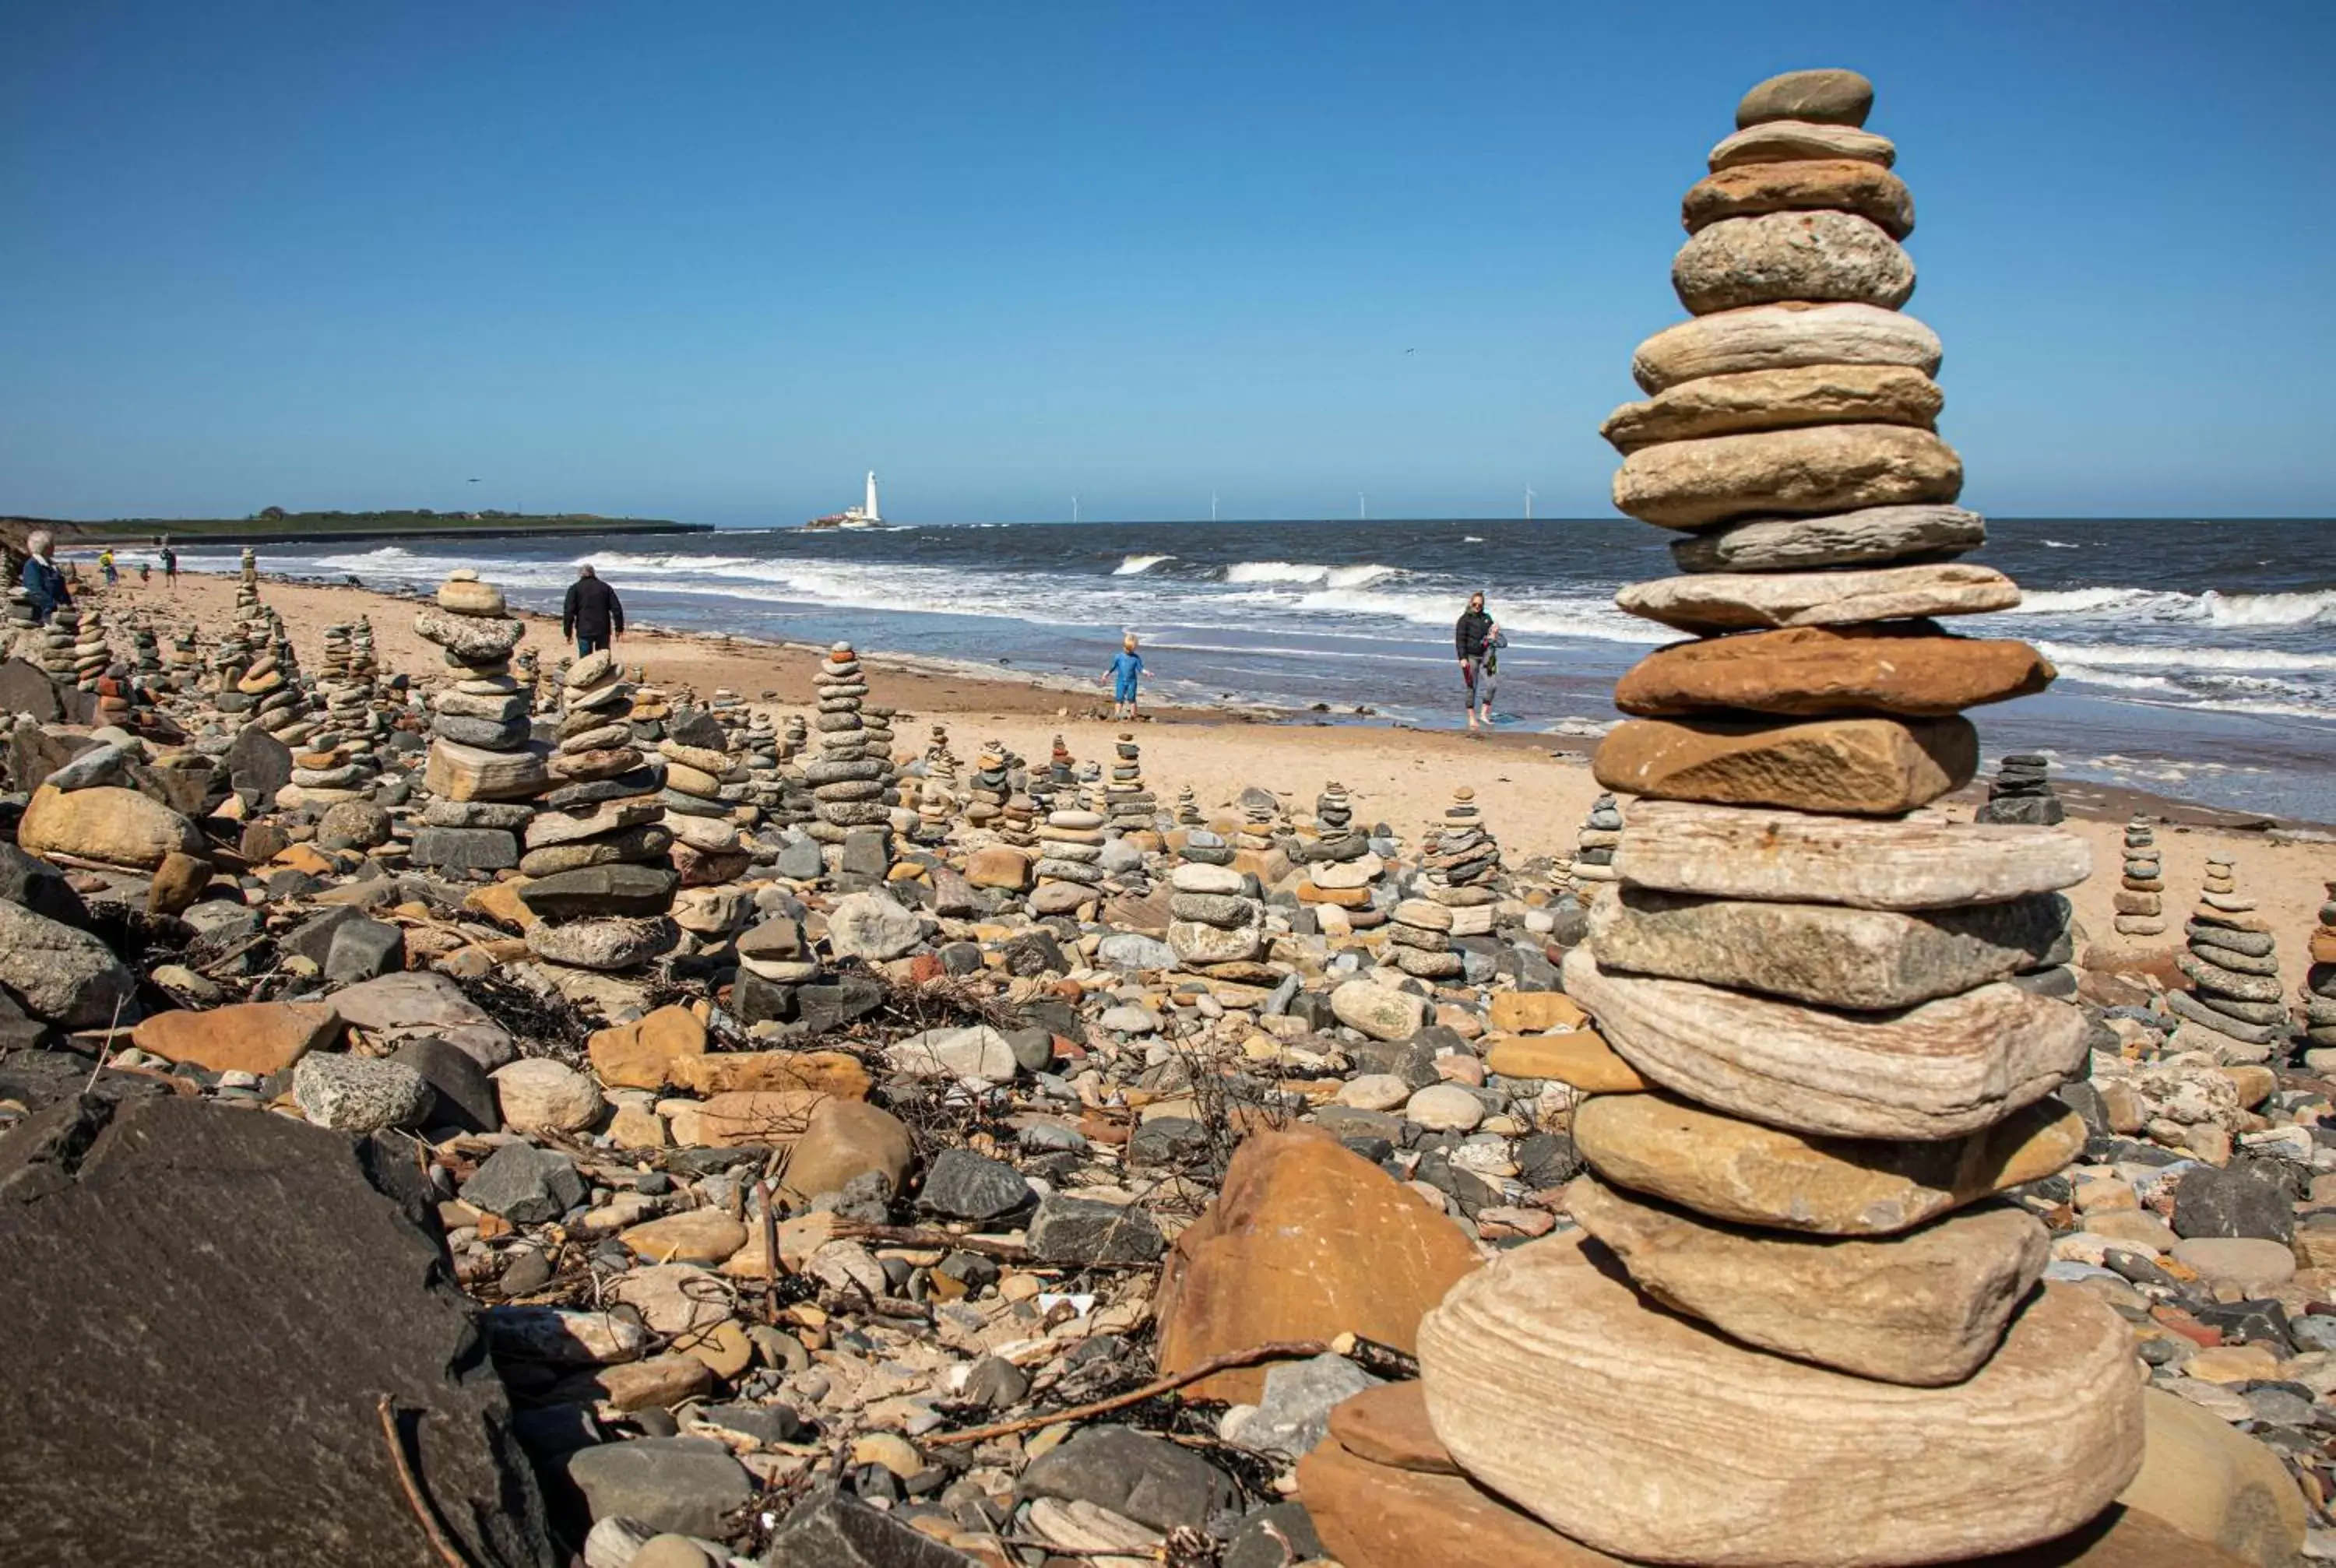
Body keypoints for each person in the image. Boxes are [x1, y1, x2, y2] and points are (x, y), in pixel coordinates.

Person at [1455, 591, 1499, 730]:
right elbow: (1459, 640)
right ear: (1470, 603)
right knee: (1471, 687)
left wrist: (1494, 634)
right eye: (1475, 604)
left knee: (1492, 685)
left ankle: (1484, 714)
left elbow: (1491, 638)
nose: (1477, 606)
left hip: (1487, 656)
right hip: (1471, 656)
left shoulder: (1487, 619)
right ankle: (1472, 717)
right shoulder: (1464, 619)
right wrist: (1462, 658)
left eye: (1480, 604)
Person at [561, 562, 624, 657]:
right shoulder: (605, 587)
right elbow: (616, 609)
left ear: (580, 575)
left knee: (585, 662)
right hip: (602, 629)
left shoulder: (575, 589)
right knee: (603, 660)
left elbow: (569, 612)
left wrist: (568, 632)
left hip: (584, 629)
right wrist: (619, 628)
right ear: (594, 573)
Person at [19, 531, 71, 624]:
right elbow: (34, 590)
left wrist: (69, 605)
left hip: (60, 613)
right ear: (45, 547)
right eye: (52, 544)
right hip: (44, 614)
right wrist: (54, 605)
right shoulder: (32, 565)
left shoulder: (51, 565)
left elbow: (62, 589)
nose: (54, 547)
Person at [1105, 633, 1144, 720]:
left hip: (1132, 681)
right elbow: (1113, 667)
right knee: (1119, 698)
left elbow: (1140, 668)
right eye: (1126, 648)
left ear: (1134, 648)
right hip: (1121, 681)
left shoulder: (1136, 658)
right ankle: (1117, 715)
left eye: (1130, 650)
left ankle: (1133, 715)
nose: (1128, 651)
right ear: (1123, 646)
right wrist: (1107, 673)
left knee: (1131, 698)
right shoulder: (1118, 657)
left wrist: (1146, 672)